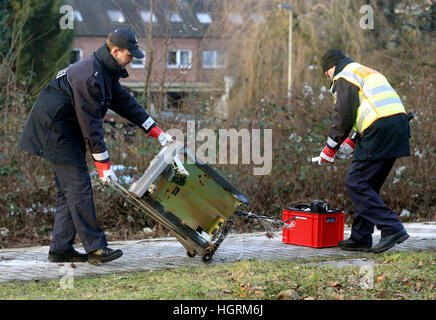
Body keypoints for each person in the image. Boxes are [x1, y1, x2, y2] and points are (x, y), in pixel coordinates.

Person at [19, 28, 173, 264]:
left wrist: (155, 130)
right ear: (115, 51)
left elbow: (124, 103)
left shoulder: (106, 71)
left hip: (64, 129)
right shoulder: (90, 76)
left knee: (69, 191)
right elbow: (91, 126)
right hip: (53, 129)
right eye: (129, 55)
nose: (132, 59)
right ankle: (96, 249)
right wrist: (103, 165)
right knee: (79, 187)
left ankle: (61, 249)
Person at [316, 49, 411, 253]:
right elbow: (371, 108)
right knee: (368, 184)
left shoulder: (343, 75)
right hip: (398, 126)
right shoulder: (365, 72)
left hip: (379, 128)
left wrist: (331, 147)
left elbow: (344, 114)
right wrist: (352, 141)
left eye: (326, 75)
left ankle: (392, 228)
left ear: (331, 67)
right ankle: (361, 236)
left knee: (356, 182)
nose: (329, 79)